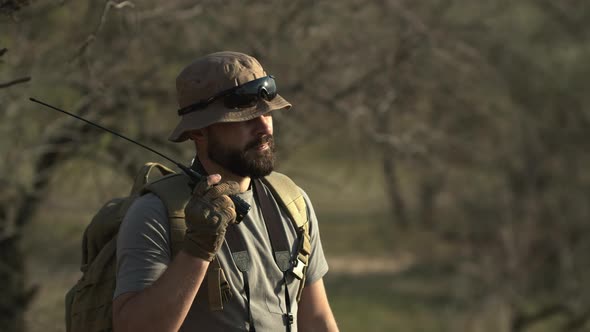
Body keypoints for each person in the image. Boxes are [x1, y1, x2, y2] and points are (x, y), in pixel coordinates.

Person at [112, 51, 339, 332]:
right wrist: (198, 248)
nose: (263, 126)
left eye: (266, 112)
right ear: (198, 132)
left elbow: (317, 320)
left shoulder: (292, 201)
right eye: (244, 118)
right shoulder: (157, 212)